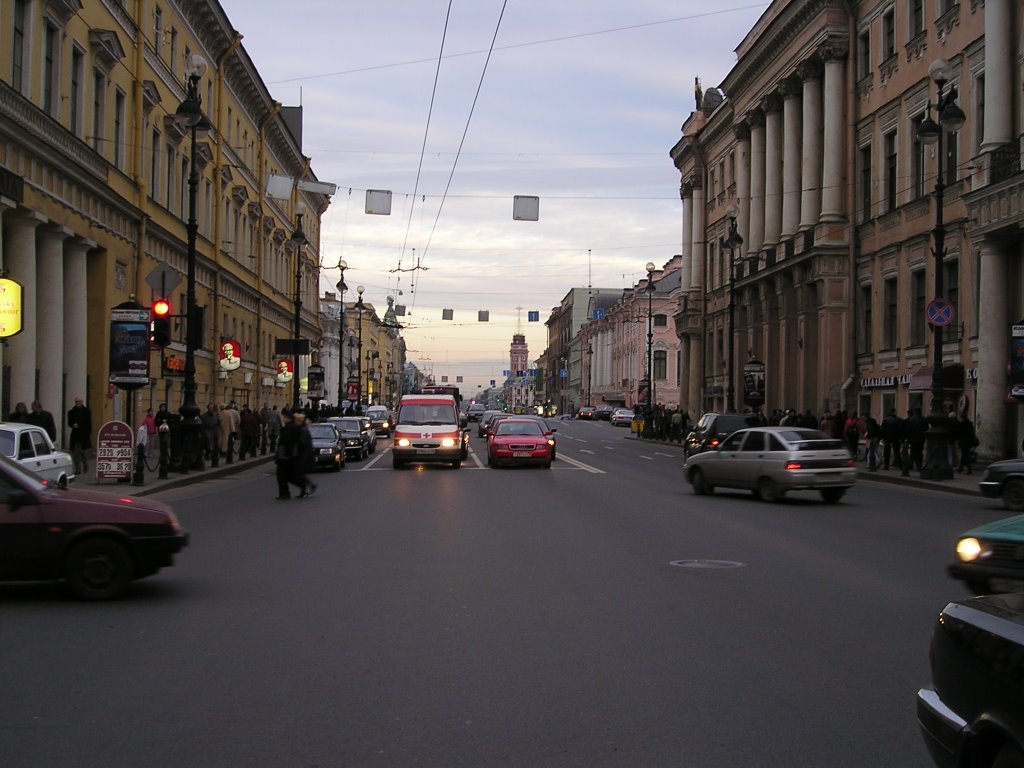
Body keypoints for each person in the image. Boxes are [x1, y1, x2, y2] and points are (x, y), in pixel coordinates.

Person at [67, 396, 92, 475]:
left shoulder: (87, 411)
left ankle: (85, 465)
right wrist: (72, 425)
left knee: (83, 452)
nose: (77, 403)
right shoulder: (71, 412)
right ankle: (78, 469)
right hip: (75, 434)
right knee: (75, 453)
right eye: (76, 402)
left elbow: (89, 423)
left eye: (79, 401)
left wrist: (88, 433)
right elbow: (69, 423)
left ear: (82, 402)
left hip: (84, 434)